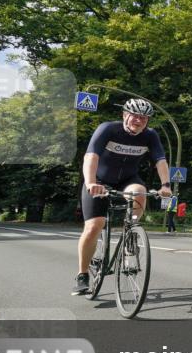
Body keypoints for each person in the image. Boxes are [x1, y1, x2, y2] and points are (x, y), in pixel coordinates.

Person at [72, 98, 172, 295]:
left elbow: (160, 160)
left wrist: (165, 185)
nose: (139, 120)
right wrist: (91, 182)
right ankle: (82, 274)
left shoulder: (150, 136)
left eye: (144, 118)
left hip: (127, 179)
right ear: (125, 115)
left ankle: (131, 235)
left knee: (139, 192)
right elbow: (90, 157)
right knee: (94, 226)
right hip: (99, 180)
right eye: (135, 115)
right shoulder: (108, 129)